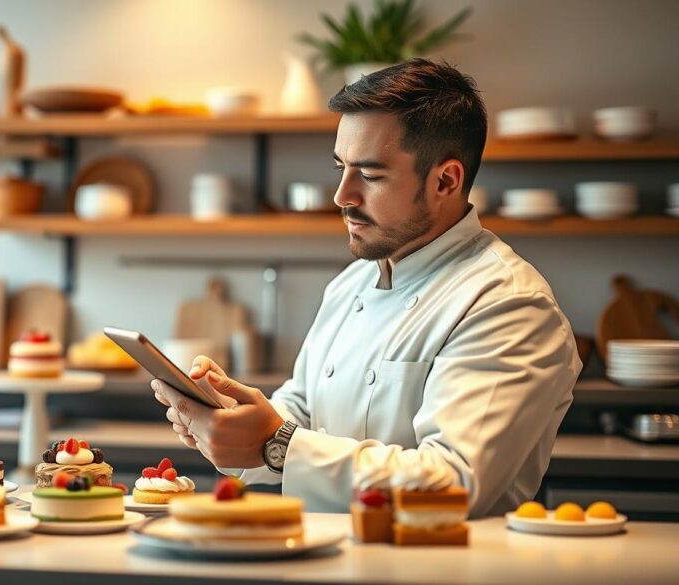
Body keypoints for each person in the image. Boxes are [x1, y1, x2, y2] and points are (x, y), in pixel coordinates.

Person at [152, 59, 581, 517]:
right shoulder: (351, 282)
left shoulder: (507, 302)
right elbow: (300, 414)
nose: (342, 195)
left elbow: (455, 483)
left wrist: (276, 443)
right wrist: (230, 420)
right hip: (326, 557)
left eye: (370, 175)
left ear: (446, 180)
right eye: (341, 167)